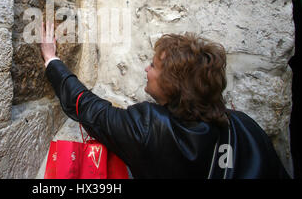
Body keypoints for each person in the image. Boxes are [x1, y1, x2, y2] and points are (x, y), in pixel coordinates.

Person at [40, 22, 290, 179]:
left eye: (155, 65)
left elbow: (88, 107)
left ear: (173, 83)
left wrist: (51, 59)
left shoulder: (150, 128)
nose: (147, 68)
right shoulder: (246, 125)